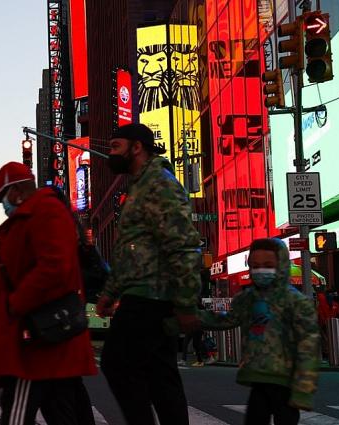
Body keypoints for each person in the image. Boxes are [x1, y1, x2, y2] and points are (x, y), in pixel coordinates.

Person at [0, 162, 97, 425]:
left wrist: (14, 304)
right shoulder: (29, 218)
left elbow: (55, 267)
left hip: (35, 339)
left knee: (17, 414)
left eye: (3, 199)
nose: (3, 207)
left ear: (16, 191)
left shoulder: (45, 212)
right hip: (42, 336)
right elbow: (8, 271)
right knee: (65, 411)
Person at [96, 123, 202, 425]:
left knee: (118, 364)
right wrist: (110, 292)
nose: (111, 153)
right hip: (147, 294)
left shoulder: (159, 183)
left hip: (151, 296)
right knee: (160, 377)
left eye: (116, 146)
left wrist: (185, 303)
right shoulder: (140, 185)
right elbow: (130, 251)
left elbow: (182, 244)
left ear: (137, 147)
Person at [200, 238, 319, 425]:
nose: (260, 270)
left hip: (286, 382)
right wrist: (188, 318)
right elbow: (226, 319)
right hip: (258, 379)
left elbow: (308, 348)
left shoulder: (296, 302)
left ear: (281, 265)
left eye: (268, 265)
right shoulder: (247, 299)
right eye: (255, 266)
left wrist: (303, 389)